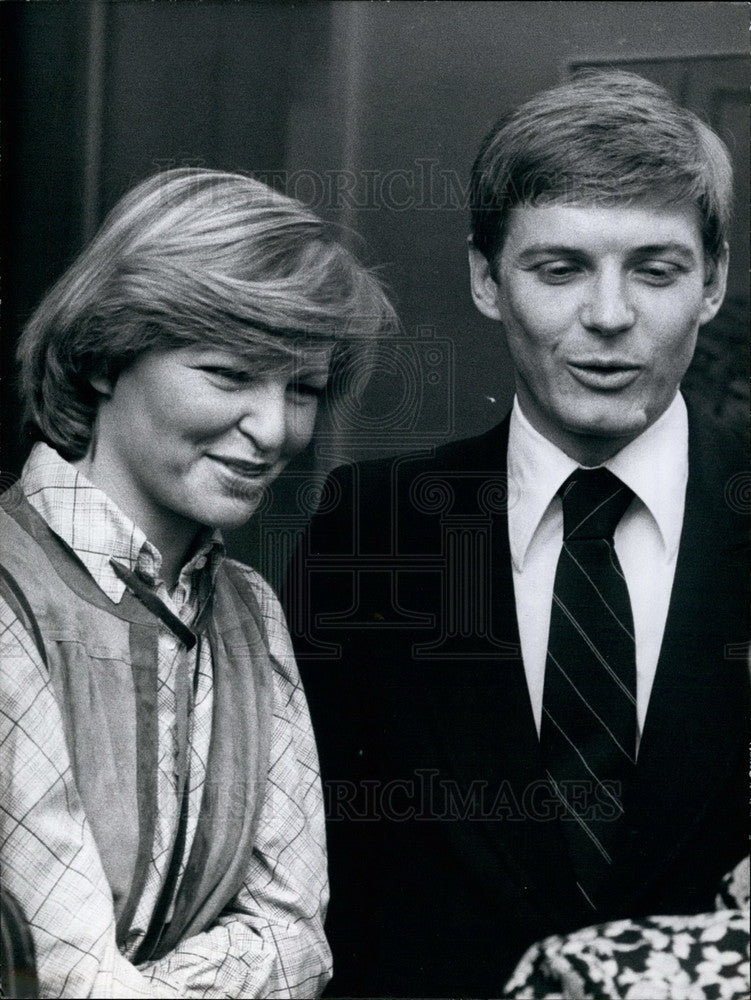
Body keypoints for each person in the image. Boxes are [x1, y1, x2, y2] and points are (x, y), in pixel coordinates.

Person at [285, 72, 749, 996]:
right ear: (484, 278)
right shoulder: (369, 525)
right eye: (559, 268)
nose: (608, 315)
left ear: (714, 281)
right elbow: (319, 882)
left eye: (655, 270)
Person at [0, 167, 395, 998]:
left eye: (302, 388)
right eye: (229, 374)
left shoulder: (249, 609)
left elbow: (297, 942)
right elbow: (64, 977)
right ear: (105, 356)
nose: (273, 429)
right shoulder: (9, 586)